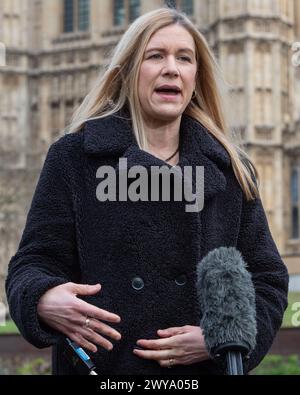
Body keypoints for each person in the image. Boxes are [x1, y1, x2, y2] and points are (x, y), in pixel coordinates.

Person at [5, 7, 288, 375]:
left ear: (195, 77)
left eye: (184, 59)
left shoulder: (231, 170)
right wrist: (43, 298)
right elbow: (31, 264)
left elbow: (268, 280)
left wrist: (223, 336)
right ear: (126, 72)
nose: (172, 68)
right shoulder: (74, 159)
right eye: (155, 56)